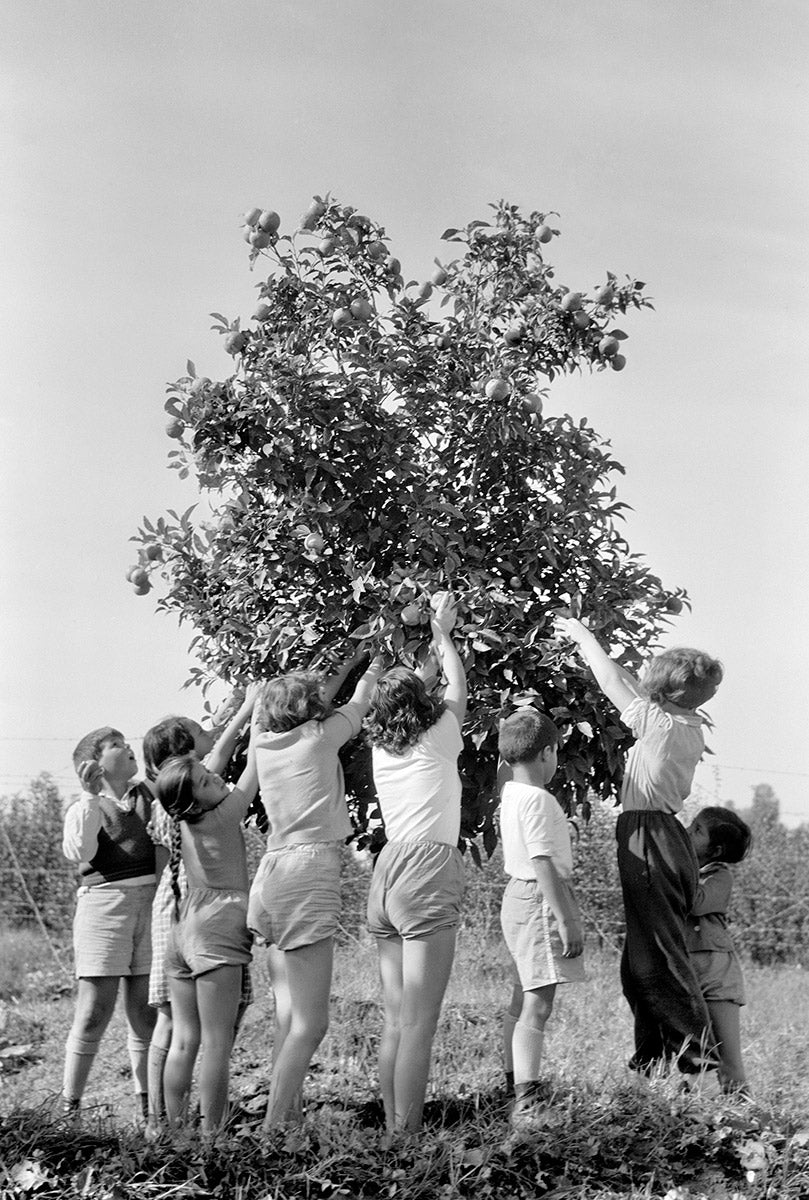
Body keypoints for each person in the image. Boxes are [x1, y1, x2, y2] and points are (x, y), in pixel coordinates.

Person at [554, 617, 723, 1075]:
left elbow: (612, 680)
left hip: (649, 837)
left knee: (659, 957)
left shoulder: (658, 725)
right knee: (639, 961)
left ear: (663, 691)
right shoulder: (685, 724)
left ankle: (699, 1060)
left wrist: (582, 637)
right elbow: (637, 688)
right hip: (665, 836)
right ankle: (651, 1059)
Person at [247, 649, 384, 1130]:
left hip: (269, 877)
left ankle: (289, 1124)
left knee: (290, 1018)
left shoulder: (262, 745)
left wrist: (345, 661)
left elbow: (317, 698)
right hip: (307, 871)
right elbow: (363, 700)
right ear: (310, 710)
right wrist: (374, 659)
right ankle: (273, 1127)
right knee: (312, 1023)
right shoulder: (320, 738)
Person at [364, 592, 466, 1136]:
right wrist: (443, 633)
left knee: (397, 1019)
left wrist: (413, 677)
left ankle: (390, 1129)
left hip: (388, 870)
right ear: (423, 704)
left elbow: (420, 701)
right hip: (428, 870)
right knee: (420, 1023)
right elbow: (457, 686)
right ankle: (405, 1141)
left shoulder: (383, 750)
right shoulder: (441, 736)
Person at [142, 689, 258, 1126]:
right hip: (216, 929)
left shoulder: (178, 814)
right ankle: (212, 1136)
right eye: (209, 781)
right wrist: (258, 714)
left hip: (183, 928)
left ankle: (171, 1130)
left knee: (184, 1039)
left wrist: (240, 709)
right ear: (196, 794)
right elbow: (253, 764)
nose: (218, 780)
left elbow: (215, 766)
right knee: (217, 1043)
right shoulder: (226, 812)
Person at [61, 727, 157, 1121]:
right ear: (95, 764)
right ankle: (70, 1107)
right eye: (116, 745)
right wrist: (87, 797)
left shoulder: (148, 794)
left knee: (146, 1010)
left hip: (151, 905)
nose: (128, 747)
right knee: (94, 1011)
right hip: (104, 908)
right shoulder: (86, 806)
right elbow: (79, 852)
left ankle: (150, 1108)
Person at [498, 707, 585, 1127]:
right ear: (548, 753)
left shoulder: (510, 793)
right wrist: (565, 916)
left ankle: (513, 1083)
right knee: (538, 1003)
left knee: (521, 999)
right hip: (537, 897)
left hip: (517, 896)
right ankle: (527, 1100)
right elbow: (542, 860)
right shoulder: (537, 799)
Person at [687, 805, 752, 1094]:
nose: (688, 831)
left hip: (717, 974)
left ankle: (752, 1128)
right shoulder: (691, 868)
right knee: (690, 1058)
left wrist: (676, 864)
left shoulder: (719, 876)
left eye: (697, 830)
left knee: (729, 1062)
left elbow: (696, 902)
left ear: (715, 851)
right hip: (688, 971)